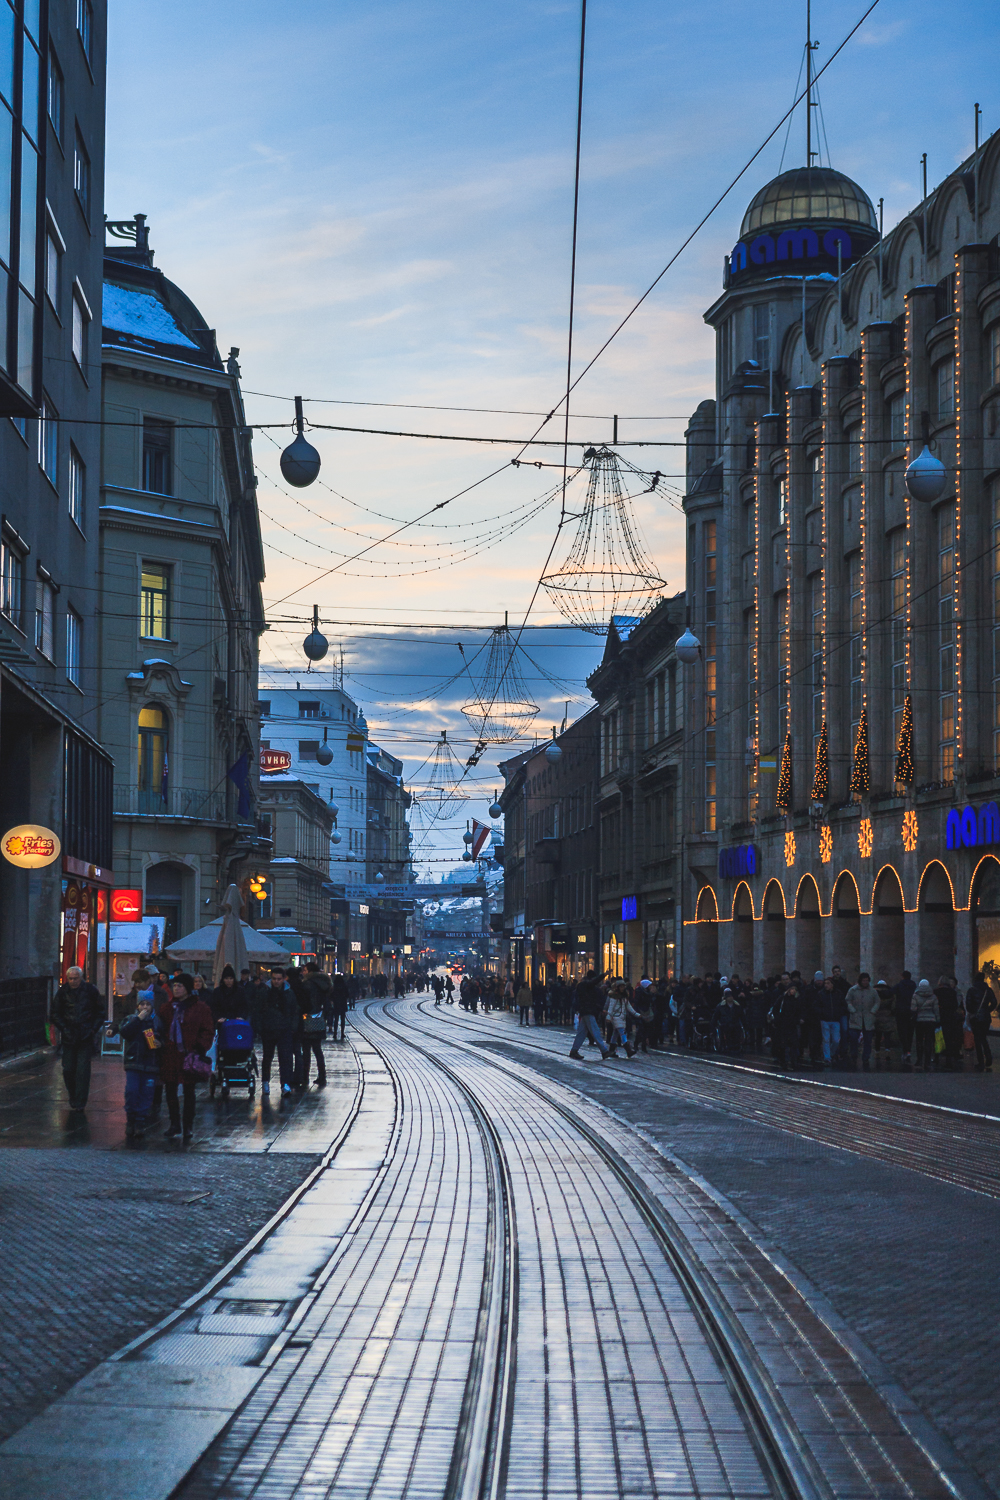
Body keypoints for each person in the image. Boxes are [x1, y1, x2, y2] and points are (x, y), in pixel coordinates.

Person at [159, 973, 214, 1143]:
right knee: (170, 1089)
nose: (176, 988)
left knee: (189, 1091)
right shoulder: (166, 1008)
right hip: (170, 1054)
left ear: (188, 989)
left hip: (190, 1054)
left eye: (180, 986)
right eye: (175, 985)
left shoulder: (200, 1008)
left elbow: (207, 1030)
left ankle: (188, 1125)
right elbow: (160, 1029)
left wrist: (200, 1046)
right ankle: (175, 1123)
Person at [107, 985, 164, 1139]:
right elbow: (125, 1032)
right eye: (142, 1004)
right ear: (138, 1006)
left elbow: (163, 1037)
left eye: (148, 1004)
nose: (145, 1007)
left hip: (151, 1063)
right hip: (134, 1061)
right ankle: (131, 1118)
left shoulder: (157, 1021)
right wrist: (138, 1019)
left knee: (146, 1093)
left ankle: (140, 1121)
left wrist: (160, 1043)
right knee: (132, 1090)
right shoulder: (131, 1019)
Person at [50, 965, 105, 1114]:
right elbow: (55, 1012)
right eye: (71, 979)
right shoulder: (63, 992)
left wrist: (92, 1029)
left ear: (81, 978)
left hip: (85, 1035)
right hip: (70, 1035)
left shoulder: (90, 990)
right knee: (68, 1069)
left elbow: (100, 1011)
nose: (73, 981)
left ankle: (80, 1101)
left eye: (76, 978)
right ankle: (74, 1096)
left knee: (82, 1070)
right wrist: (64, 1028)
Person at [256, 967, 297, 1097]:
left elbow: (294, 1011)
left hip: (284, 1029)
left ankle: (285, 1084)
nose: (276, 982)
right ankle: (266, 1082)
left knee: (284, 1058)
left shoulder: (289, 993)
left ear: (283, 979)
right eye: (274, 979)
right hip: (268, 1029)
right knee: (268, 1057)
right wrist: (260, 1027)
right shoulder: (265, 992)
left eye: (279, 979)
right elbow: (258, 1010)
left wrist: (292, 1027)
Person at [298, 963, 330, 1086]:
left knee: (306, 1050)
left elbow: (305, 1002)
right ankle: (322, 1075)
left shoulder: (307, 984)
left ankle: (305, 1076)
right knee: (317, 1050)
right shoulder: (323, 983)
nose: (303, 972)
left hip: (307, 1019)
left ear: (310, 972)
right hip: (318, 1019)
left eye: (305, 970)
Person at [569, 970, 610, 1060]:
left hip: (586, 1010)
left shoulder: (585, 986)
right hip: (588, 1011)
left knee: (582, 1033)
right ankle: (604, 1051)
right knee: (595, 1031)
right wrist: (603, 975)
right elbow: (592, 999)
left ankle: (574, 1050)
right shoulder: (585, 985)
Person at [845, 972, 879, 1070]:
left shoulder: (873, 991)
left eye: (867, 980)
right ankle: (854, 1055)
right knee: (854, 1039)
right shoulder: (853, 990)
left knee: (868, 1040)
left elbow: (877, 1002)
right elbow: (848, 1000)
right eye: (863, 980)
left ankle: (866, 1057)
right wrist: (852, 1010)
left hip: (868, 1018)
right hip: (856, 1017)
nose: (865, 982)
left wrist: (873, 1011)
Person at [965, 971, 996, 1072]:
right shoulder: (988, 990)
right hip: (985, 1017)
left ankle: (981, 1062)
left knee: (977, 1040)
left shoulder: (972, 990)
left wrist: (973, 1012)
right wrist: (987, 1010)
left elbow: (968, 1005)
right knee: (983, 1038)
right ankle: (989, 1057)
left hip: (976, 1017)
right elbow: (994, 1002)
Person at [911, 979, 941, 1072]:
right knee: (929, 1041)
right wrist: (938, 1019)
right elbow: (936, 1009)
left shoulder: (915, 995)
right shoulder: (933, 996)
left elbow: (913, 1008)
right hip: (930, 1020)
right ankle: (927, 1062)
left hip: (920, 1020)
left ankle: (919, 1060)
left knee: (919, 1040)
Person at [604, 982, 638, 1058]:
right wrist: (609, 1017)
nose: (622, 988)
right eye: (621, 987)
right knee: (622, 1032)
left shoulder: (624, 997)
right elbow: (611, 1008)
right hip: (616, 1017)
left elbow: (629, 1007)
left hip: (621, 1017)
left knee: (615, 1034)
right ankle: (628, 1050)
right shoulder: (614, 997)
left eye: (623, 987)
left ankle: (611, 1051)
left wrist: (636, 1014)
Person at [894, 970, 917, 1069]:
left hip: (901, 1011)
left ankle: (905, 1050)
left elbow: (889, 992)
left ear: (902, 976)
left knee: (902, 1031)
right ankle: (908, 1051)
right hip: (911, 1011)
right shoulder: (914, 986)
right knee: (910, 1031)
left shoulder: (899, 985)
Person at [330, 971, 350, 1039]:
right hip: (343, 1004)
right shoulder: (344, 986)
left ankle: (335, 1033)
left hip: (336, 1004)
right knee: (342, 1019)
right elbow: (347, 995)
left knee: (336, 1019)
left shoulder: (334, 987)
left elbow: (331, 995)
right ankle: (342, 1033)